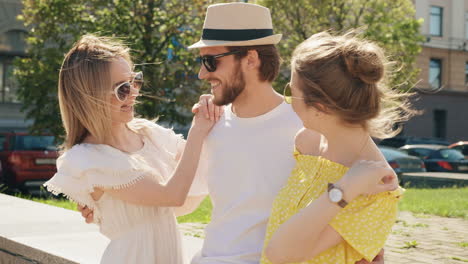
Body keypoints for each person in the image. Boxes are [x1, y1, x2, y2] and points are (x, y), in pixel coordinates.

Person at [80, 3, 385, 263]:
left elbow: (374, 182)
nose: (202, 73)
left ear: (251, 59)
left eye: (210, 60)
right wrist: (104, 201)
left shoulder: (312, 120)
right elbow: (182, 202)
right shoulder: (210, 123)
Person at [43, 34, 221, 264]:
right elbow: (172, 196)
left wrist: (218, 108)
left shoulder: (147, 133)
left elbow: (197, 166)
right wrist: (197, 130)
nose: (135, 93)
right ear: (90, 98)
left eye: (135, 81)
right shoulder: (88, 158)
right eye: (122, 89)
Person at [261, 32, 414, 264]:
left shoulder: (379, 188)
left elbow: (280, 254)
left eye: (292, 93)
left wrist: (346, 188)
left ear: (320, 107)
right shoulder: (307, 143)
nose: (287, 100)